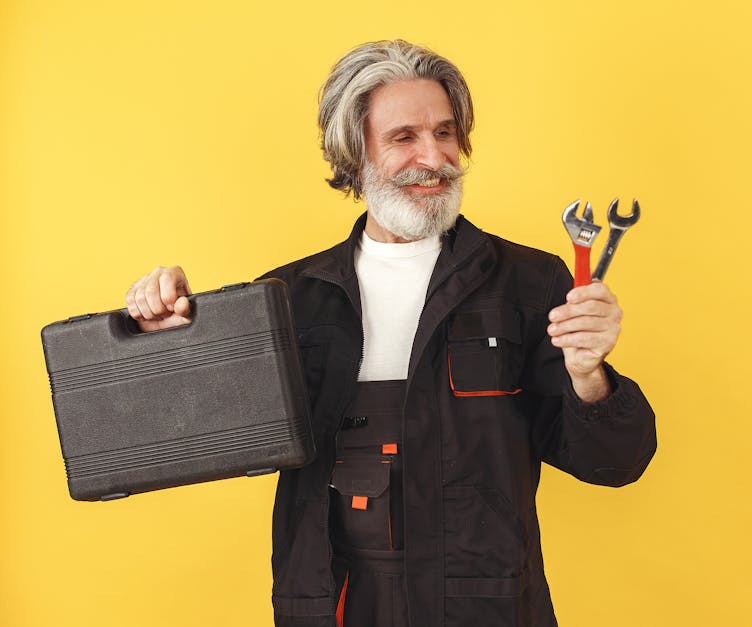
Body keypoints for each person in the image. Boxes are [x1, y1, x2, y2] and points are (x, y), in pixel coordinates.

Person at [125, 39, 656, 627]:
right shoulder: (288, 299)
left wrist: (590, 375)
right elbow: (197, 439)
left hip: (487, 608)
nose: (433, 156)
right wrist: (167, 346)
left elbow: (615, 463)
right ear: (355, 157)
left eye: (446, 133)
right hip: (334, 606)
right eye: (404, 137)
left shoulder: (528, 284)